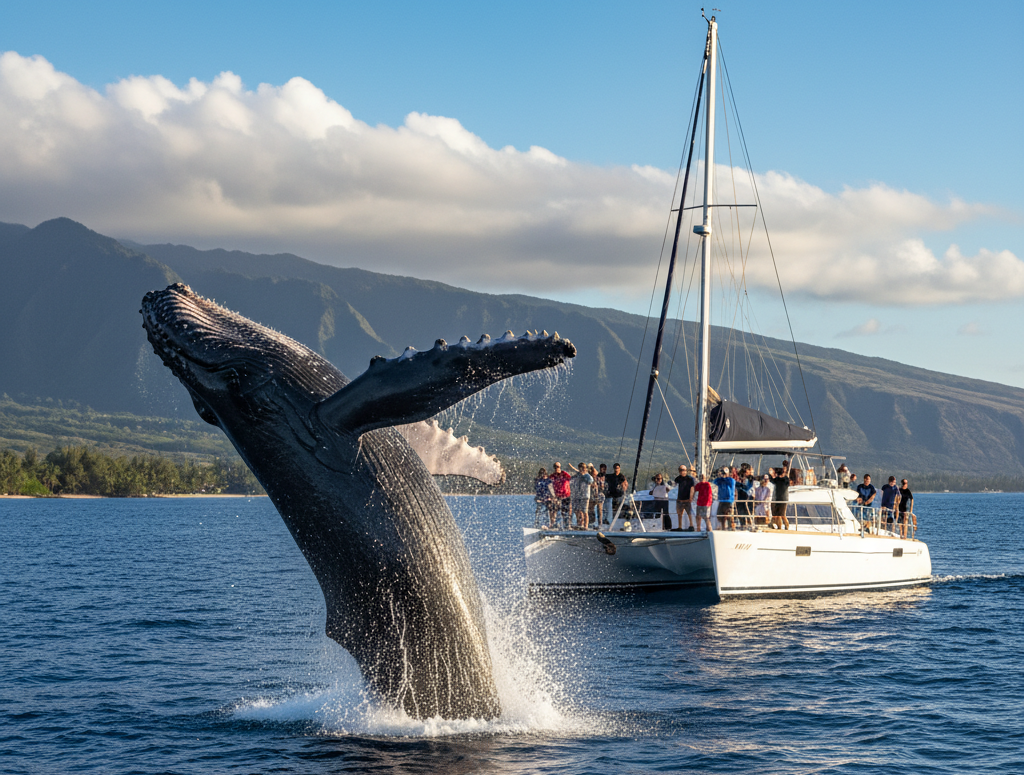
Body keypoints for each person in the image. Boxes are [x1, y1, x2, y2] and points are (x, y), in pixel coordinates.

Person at [568, 462, 594, 529]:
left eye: (584, 468)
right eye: (581, 468)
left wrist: (583, 475)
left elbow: (591, 481)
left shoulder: (587, 475)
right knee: (577, 510)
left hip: (585, 496)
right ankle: (579, 524)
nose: (583, 469)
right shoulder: (577, 475)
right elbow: (572, 477)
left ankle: (586, 526)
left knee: (585, 511)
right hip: (578, 496)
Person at [768, 462, 791, 530]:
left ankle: (785, 526)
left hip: (783, 499)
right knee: (777, 514)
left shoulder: (785, 479)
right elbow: (772, 480)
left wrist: (771, 474)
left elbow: (773, 480)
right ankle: (779, 526)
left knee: (782, 514)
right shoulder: (780, 479)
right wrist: (771, 474)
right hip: (778, 498)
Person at [549, 462, 572, 529]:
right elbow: (549, 484)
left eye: (558, 467)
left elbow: (571, 478)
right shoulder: (552, 476)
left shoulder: (564, 473)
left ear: (560, 467)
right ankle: (554, 524)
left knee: (565, 511)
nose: (557, 468)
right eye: (555, 467)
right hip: (557, 496)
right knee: (555, 510)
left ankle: (567, 525)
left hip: (566, 495)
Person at [674, 465, 696, 531]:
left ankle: (691, 525)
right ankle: (680, 526)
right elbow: (674, 487)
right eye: (681, 470)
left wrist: (691, 497)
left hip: (687, 499)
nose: (682, 471)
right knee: (679, 514)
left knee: (689, 513)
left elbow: (692, 488)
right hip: (680, 499)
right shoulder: (677, 479)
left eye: (684, 470)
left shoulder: (690, 479)